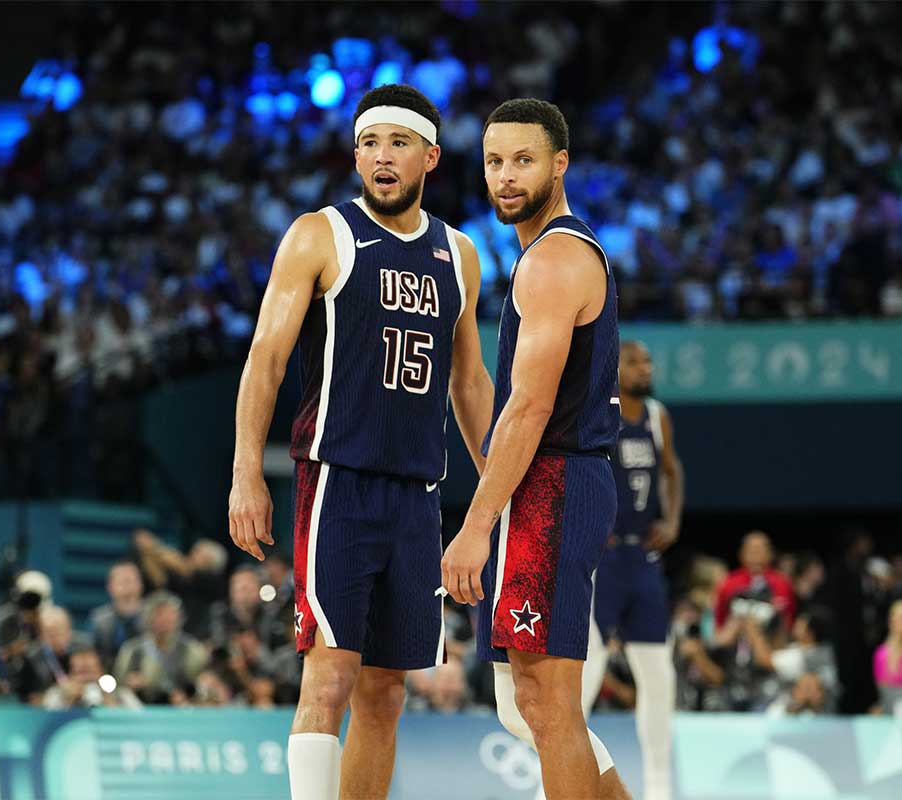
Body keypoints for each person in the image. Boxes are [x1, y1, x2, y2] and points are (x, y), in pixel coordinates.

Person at [226, 83, 493, 800]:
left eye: (398, 144)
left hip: (417, 493)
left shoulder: (459, 254)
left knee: (387, 694)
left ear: (429, 157)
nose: (381, 157)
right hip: (337, 481)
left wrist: (499, 489)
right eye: (369, 144)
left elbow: (469, 383)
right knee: (331, 677)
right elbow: (265, 360)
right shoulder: (321, 233)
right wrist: (246, 472)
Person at [441, 98, 630, 800]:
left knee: (548, 704)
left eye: (523, 160)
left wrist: (475, 524)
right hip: (560, 482)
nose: (506, 176)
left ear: (560, 164)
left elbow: (530, 407)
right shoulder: (557, 251)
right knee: (538, 705)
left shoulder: (551, 260)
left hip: (554, 486)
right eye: (494, 162)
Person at [580, 341, 684, 800]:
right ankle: (558, 782)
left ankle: (659, 785)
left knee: (659, 675)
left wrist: (674, 519)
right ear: (615, 367)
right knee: (584, 676)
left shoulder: (657, 416)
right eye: (636, 362)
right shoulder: (597, 408)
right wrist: (588, 519)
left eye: (648, 361)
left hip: (642, 558)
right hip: (601, 561)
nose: (647, 368)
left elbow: (672, 470)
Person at [112, 590, 208, 705]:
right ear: (148, 618)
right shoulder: (132, 650)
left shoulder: (192, 649)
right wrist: (130, 682)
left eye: (169, 615)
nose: (164, 620)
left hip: (185, 705)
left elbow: (202, 680)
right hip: (142, 705)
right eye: (159, 614)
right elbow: (118, 683)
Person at [714, 531, 796, 634]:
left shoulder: (782, 583)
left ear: (770, 554)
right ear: (741, 554)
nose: (755, 555)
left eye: (760, 550)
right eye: (751, 550)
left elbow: (788, 621)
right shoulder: (728, 582)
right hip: (735, 642)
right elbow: (720, 621)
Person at [42, 647, 142, 710]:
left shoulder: (121, 694)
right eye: (81, 673)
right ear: (70, 674)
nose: (86, 679)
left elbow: (139, 718)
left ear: (101, 672)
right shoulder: (57, 694)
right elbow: (46, 719)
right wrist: (69, 700)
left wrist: (110, 702)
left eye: (90, 672)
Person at [88, 561, 145, 668]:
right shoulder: (99, 620)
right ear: (110, 587)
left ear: (140, 584)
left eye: (131, 581)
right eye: (122, 582)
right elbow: (93, 654)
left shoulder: (152, 616)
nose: (127, 587)